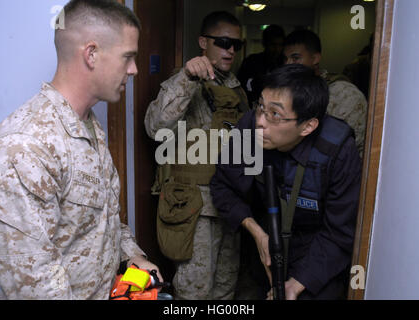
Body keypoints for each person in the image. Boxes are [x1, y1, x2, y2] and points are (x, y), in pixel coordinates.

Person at [0, 0, 162, 300]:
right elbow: (34, 285)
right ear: (91, 54)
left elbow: (102, 218)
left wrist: (131, 256)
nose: (134, 70)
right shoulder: (27, 145)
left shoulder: (88, 126)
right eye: (127, 57)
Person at [210, 64, 362, 300]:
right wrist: (257, 232)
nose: (261, 120)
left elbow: (340, 233)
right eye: (261, 106)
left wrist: (297, 284)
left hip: (318, 250)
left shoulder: (338, 150)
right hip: (266, 243)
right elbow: (222, 186)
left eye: (275, 114)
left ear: (308, 126)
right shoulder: (250, 127)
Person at [144, 11, 249, 300]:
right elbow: (155, 127)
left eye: (236, 45)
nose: (230, 50)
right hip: (194, 207)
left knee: (226, 287)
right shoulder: (183, 80)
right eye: (224, 42)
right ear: (203, 41)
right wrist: (188, 78)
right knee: (194, 291)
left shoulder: (236, 88)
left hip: (228, 204)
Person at [283, 29, 367, 156]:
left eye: (295, 58)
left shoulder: (344, 94)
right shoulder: (286, 92)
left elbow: (349, 148)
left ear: (315, 58)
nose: (288, 64)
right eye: (285, 59)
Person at [237, 25, 285, 106]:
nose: (277, 49)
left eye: (280, 45)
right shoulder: (252, 61)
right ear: (264, 43)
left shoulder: (284, 63)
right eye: (273, 44)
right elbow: (240, 87)